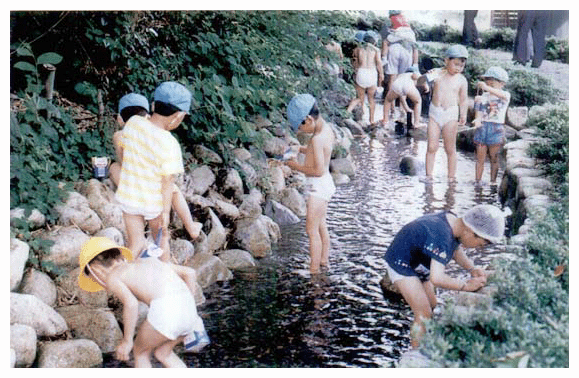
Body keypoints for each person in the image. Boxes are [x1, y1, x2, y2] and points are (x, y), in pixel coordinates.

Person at [383, 204, 506, 348]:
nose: (479, 248)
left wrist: (472, 268)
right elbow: (437, 278)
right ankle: (416, 355)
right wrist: (465, 286)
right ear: (470, 231)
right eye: (481, 244)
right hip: (401, 263)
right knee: (423, 314)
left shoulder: (455, 224)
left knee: (432, 305)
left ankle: (425, 337)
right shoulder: (442, 236)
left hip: (420, 260)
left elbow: (454, 250)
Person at [78, 237, 209, 368]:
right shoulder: (147, 261)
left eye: (93, 279)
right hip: (189, 310)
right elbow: (190, 273)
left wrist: (127, 341)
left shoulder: (114, 276)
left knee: (140, 353)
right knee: (163, 353)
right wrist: (186, 307)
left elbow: (132, 304)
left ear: (95, 269)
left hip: (167, 309)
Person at [109, 93, 202, 244]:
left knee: (113, 167)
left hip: (134, 187)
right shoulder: (158, 134)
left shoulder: (120, 134)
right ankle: (191, 227)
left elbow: (123, 162)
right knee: (174, 191)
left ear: (120, 117)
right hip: (154, 187)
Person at [285, 94, 336, 274]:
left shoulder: (315, 138)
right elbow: (320, 151)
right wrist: (301, 149)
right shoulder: (326, 129)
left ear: (308, 119)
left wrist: (294, 166)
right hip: (326, 184)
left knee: (311, 230)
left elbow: (318, 170)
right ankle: (324, 261)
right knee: (322, 225)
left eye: (300, 127)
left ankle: (314, 272)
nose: (299, 131)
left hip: (318, 187)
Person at [425, 45, 469, 180]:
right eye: (455, 64)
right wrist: (425, 80)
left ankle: (451, 177)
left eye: (461, 66)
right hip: (435, 112)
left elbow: (463, 100)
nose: (458, 68)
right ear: (446, 61)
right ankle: (428, 176)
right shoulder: (437, 73)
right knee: (432, 146)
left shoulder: (462, 80)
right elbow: (422, 82)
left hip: (450, 114)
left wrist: (463, 114)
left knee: (450, 148)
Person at [472, 66, 511, 185]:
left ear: (502, 83)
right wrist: (477, 120)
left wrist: (487, 88)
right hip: (482, 128)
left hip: (496, 128)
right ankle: (477, 181)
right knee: (480, 158)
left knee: (494, 158)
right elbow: (478, 113)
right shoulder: (483, 97)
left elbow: (502, 96)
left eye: (492, 80)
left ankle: (493, 182)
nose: (488, 82)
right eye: (487, 79)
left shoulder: (505, 95)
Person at [346, 33, 384, 125]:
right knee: (371, 99)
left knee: (360, 98)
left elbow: (355, 64)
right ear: (374, 42)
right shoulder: (376, 50)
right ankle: (371, 120)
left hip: (361, 72)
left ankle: (358, 117)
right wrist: (381, 74)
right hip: (371, 73)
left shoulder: (358, 49)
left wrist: (354, 74)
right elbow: (378, 63)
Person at [381, 10, 418, 98]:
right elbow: (415, 47)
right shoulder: (409, 28)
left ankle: (391, 105)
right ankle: (402, 106)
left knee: (392, 78)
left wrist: (384, 57)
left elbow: (385, 42)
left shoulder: (390, 26)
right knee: (404, 78)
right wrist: (415, 63)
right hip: (407, 51)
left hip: (393, 49)